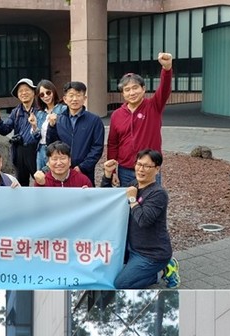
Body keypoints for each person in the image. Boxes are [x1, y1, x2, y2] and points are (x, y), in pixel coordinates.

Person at [102, 151, 179, 289]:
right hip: (132, 248)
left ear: (157, 169)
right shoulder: (134, 185)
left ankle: (160, 272)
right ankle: (143, 269)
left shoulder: (158, 194)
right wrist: (107, 175)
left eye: (147, 166)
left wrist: (132, 199)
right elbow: (109, 200)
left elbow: (143, 220)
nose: (141, 169)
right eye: (139, 164)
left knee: (120, 284)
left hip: (152, 254)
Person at [107, 53, 173, 188]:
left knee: (151, 204)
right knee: (128, 204)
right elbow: (113, 144)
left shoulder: (154, 106)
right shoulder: (117, 115)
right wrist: (112, 170)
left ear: (143, 89)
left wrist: (166, 69)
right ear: (123, 94)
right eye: (127, 90)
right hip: (125, 170)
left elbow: (164, 89)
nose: (132, 93)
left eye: (135, 88)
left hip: (149, 168)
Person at [46, 81, 104, 186]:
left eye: (78, 95)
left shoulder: (94, 120)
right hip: (62, 171)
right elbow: (52, 145)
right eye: (71, 96)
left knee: (86, 198)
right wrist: (51, 127)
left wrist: (83, 167)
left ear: (84, 98)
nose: (75, 99)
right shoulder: (59, 120)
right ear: (65, 99)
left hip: (85, 172)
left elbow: (97, 148)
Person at [0, 77, 39, 186]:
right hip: (19, 150)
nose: (24, 93)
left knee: (39, 181)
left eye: (27, 90)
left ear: (33, 92)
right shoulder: (16, 112)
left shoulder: (40, 110)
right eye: (21, 91)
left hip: (35, 151)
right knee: (22, 183)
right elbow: (5, 130)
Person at [30, 79, 64, 171]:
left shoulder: (63, 109)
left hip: (56, 150)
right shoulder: (40, 113)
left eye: (48, 92)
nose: (45, 96)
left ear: (53, 91)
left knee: (54, 176)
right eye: (42, 94)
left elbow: (64, 132)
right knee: (40, 177)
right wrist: (34, 126)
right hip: (40, 150)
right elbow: (36, 137)